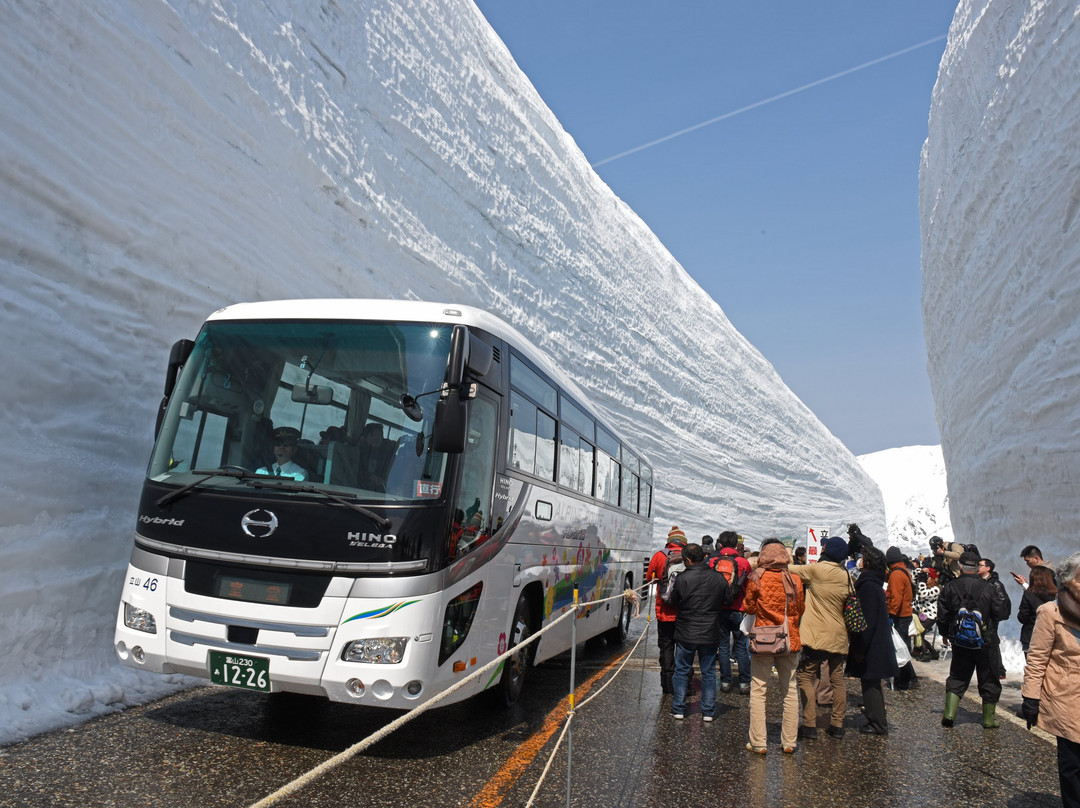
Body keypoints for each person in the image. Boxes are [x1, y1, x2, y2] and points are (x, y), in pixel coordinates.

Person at [1021, 551, 1080, 808]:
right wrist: (1031, 697)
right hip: (1066, 699)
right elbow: (1037, 659)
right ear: (1066, 581)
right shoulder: (1050, 612)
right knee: (1073, 767)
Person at [742, 540, 805, 754]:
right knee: (789, 690)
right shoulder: (795, 579)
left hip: (764, 640)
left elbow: (748, 606)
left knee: (759, 689)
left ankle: (759, 742)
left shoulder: (757, 577)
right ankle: (789, 741)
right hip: (789, 639)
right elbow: (800, 608)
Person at [938, 551, 1011, 728]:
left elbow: (943, 613)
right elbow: (1002, 613)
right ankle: (988, 720)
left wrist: (945, 633)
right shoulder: (990, 587)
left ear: (961, 567)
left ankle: (949, 714)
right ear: (977, 568)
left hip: (960, 641)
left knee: (957, 676)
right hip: (986, 642)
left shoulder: (950, 586)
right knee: (989, 678)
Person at [790, 535, 852, 740]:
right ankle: (837, 724)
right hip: (839, 635)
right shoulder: (847, 576)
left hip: (815, 635)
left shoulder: (817, 570)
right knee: (837, 679)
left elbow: (790, 570)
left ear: (826, 550)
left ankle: (809, 724)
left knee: (806, 676)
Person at [667, 543, 732, 721]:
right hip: (710, 630)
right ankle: (708, 711)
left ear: (687, 559)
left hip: (686, 630)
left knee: (681, 670)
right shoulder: (718, 577)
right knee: (709, 672)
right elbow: (727, 599)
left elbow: (672, 600)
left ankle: (679, 708)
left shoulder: (682, 578)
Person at [847, 546, 899, 735]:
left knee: (871, 683)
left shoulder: (868, 586)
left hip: (872, 645)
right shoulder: (872, 583)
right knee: (871, 682)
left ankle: (877, 723)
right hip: (876, 642)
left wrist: (860, 648)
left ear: (868, 562)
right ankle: (875, 720)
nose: (859, 559)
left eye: (863, 558)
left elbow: (865, 622)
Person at [646, 526, 688, 695]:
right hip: (685, 612)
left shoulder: (659, 555)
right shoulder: (690, 555)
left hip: (664, 611)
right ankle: (684, 683)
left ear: (669, 541)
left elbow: (649, 577)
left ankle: (667, 684)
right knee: (684, 648)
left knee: (666, 647)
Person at [710, 530, 752, 695]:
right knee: (741, 646)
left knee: (723, 646)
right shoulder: (743, 562)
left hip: (719, 608)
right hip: (738, 608)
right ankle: (744, 683)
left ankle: (726, 681)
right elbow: (748, 586)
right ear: (736, 544)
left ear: (720, 544)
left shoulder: (712, 561)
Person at [886, 546, 918, 689]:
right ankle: (910, 677)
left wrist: (891, 615)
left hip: (900, 616)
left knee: (900, 648)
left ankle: (906, 680)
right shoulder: (904, 571)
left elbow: (896, 598)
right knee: (903, 647)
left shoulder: (896, 575)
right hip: (906, 614)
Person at [978, 557, 1012, 679]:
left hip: (990, 619)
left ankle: (997, 670)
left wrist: (995, 615)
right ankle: (994, 669)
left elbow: (1003, 602)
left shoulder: (995, 584)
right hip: (982, 617)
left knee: (991, 642)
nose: (978, 567)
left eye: (980, 565)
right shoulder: (980, 582)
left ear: (988, 568)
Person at [1018, 565, 1058, 654]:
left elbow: (1022, 617)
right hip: (1052, 636)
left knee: (1033, 665)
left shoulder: (1029, 594)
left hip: (1031, 635)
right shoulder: (1056, 595)